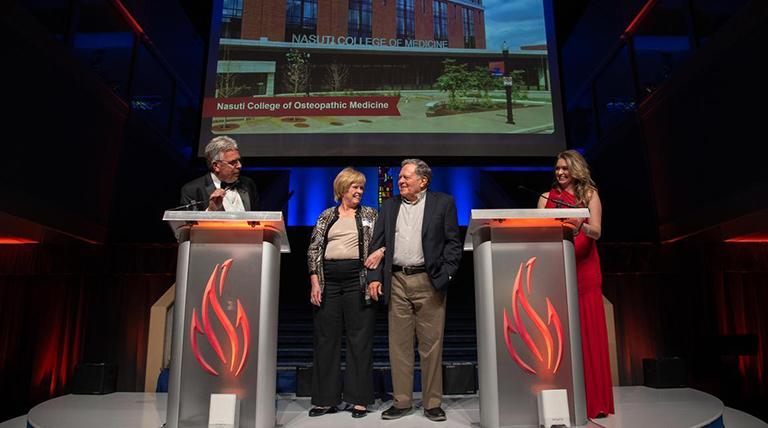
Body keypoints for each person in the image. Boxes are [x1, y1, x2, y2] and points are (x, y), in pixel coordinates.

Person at [367, 159, 462, 422]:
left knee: (431, 346)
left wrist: (446, 275)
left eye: (406, 177)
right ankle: (402, 402)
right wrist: (374, 277)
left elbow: (453, 243)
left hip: (429, 281)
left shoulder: (443, 203)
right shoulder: (389, 206)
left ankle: (432, 403)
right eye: (400, 177)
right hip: (397, 280)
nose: (400, 181)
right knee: (399, 346)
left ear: (423, 180)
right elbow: (377, 245)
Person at [538, 150, 614, 418]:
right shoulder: (545, 198)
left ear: (576, 169)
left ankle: (595, 401)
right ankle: (562, 404)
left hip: (585, 270)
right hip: (557, 271)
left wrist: (581, 225)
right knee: (559, 339)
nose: (560, 172)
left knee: (589, 335)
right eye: (557, 168)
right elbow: (538, 232)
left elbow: (597, 231)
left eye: (565, 168)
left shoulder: (589, 195)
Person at [306, 168, 383, 419]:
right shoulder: (326, 215)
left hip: (357, 281)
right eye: (354, 187)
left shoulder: (371, 214)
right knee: (326, 339)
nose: (359, 191)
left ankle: (359, 399)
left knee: (359, 340)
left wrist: (380, 253)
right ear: (342, 189)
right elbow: (314, 249)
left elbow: (384, 241)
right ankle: (325, 399)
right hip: (328, 281)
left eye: (361, 187)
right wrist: (315, 281)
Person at [180, 136, 259, 211]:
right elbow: (189, 221)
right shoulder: (192, 190)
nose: (239, 166)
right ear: (216, 166)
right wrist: (211, 210)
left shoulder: (248, 184)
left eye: (239, 161)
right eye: (233, 162)